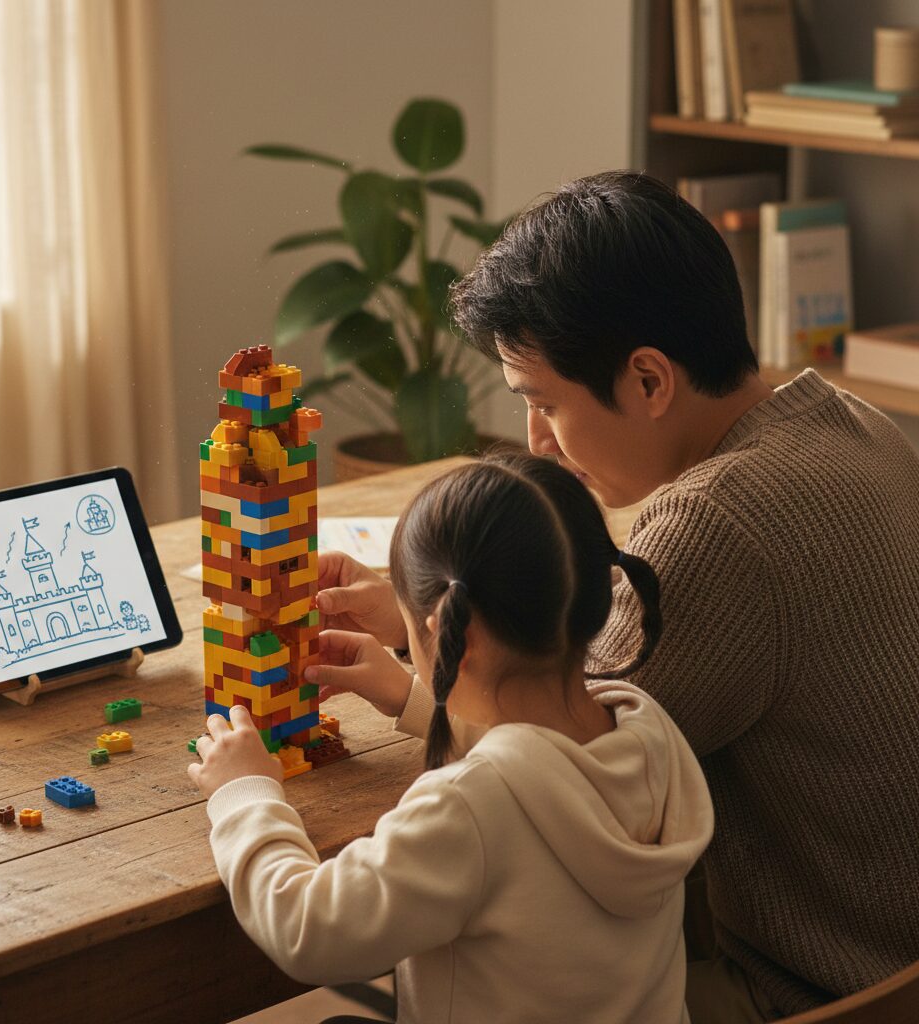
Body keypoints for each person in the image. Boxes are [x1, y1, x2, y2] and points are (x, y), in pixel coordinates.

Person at [309, 171, 919, 1023]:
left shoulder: (711, 527)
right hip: (898, 965)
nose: (536, 441)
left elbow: (550, 769)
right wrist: (421, 623)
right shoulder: (848, 421)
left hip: (811, 993)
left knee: (396, 978)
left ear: (648, 380)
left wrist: (409, 683)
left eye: (545, 403)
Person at [189, 453, 714, 1024]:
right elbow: (545, 767)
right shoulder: (650, 731)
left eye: (410, 629)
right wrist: (415, 696)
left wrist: (246, 795)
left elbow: (309, 930)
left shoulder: (467, 808)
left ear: (449, 637)